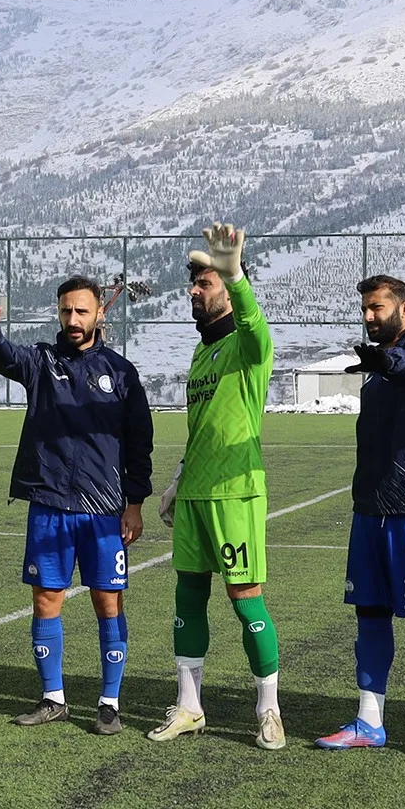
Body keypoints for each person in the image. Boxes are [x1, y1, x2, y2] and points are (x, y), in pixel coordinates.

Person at [0, 276, 153, 734]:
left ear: (99, 315)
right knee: (46, 597)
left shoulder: (122, 373)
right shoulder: (41, 362)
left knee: (107, 602)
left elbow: (139, 444)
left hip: (104, 511)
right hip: (50, 504)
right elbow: (2, 356)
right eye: (66, 311)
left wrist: (135, 503)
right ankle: (53, 698)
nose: (73, 320)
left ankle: (109, 701)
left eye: (82, 312)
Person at [150, 222, 284, 750]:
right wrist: (180, 477)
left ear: (228, 286)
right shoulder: (201, 354)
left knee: (245, 598)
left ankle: (269, 710)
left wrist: (238, 276)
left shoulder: (247, 348)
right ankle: (189, 706)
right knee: (188, 596)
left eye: (204, 283)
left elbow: (255, 328)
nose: (193, 291)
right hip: (195, 496)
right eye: (195, 283)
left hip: (235, 495)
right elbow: (204, 426)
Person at [314, 276, 405, 761]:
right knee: (370, 616)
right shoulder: (377, 365)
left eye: (378, 308)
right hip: (371, 509)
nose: (369, 317)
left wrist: (387, 361)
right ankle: (369, 721)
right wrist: (381, 364)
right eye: (366, 310)